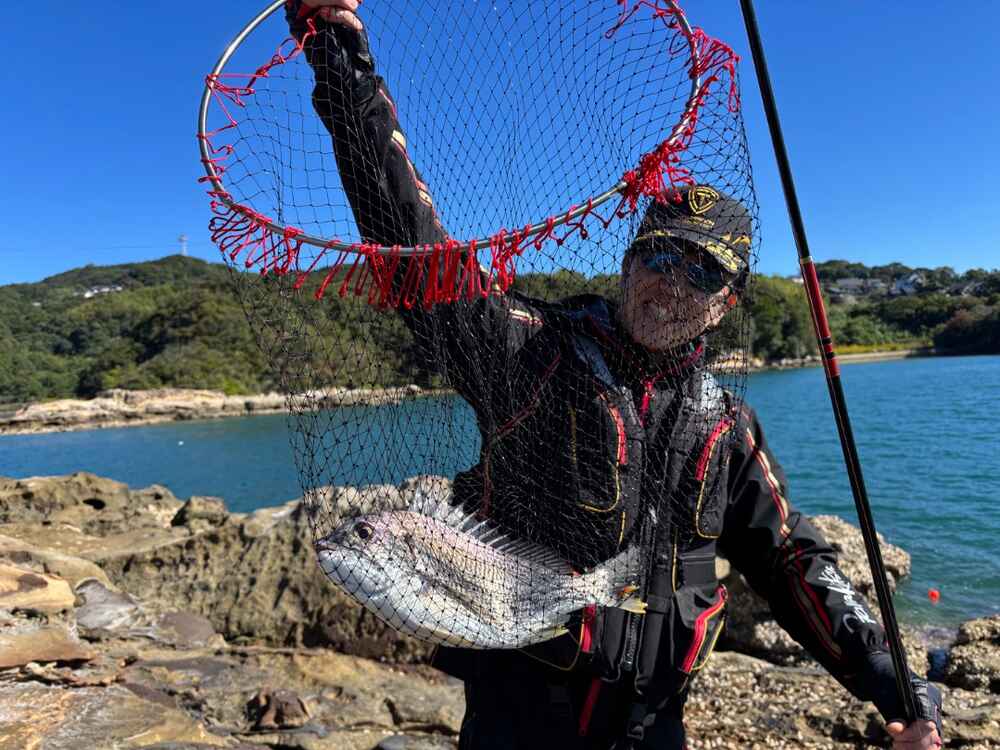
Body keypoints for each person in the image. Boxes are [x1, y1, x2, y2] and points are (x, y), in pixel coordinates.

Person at [285, 2, 944, 748]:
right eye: (657, 256)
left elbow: (791, 562)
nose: (670, 283)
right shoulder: (525, 354)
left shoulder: (726, 424)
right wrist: (339, 50)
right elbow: (414, 245)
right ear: (627, 265)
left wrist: (896, 684)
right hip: (521, 719)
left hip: (654, 725)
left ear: (726, 303)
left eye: (701, 271)